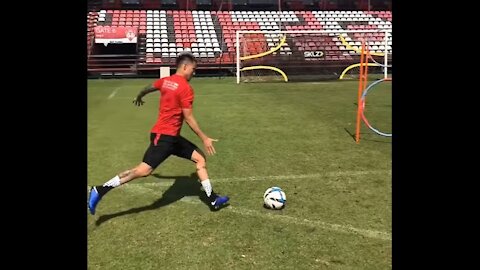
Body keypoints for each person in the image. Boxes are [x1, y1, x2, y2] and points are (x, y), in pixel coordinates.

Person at [88, 53, 229, 215]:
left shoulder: (166, 81)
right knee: (142, 171)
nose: (194, 73)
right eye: (193, 69)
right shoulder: (185, 88)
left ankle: (212, 198)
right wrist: (204, 138)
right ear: (184, 66)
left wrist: (140, 95)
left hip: (172, 137)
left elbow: (150, 87)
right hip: (164, 138)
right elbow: (188, 117)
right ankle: (99, 190)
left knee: (199, 158)